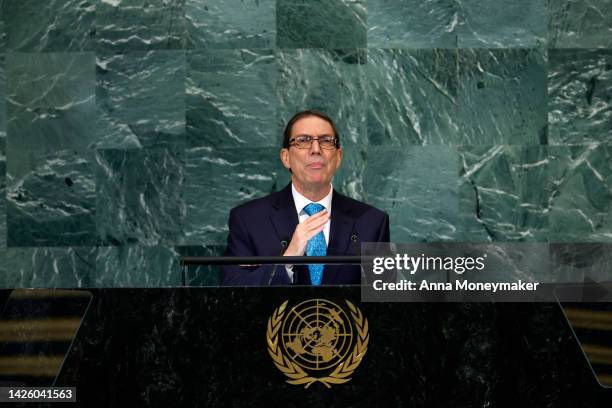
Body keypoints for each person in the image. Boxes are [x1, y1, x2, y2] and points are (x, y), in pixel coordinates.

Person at [222, 110, 390, 285]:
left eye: (325, 140)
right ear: (286, 158)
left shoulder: (372, 223)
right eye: (303, 141)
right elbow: (232, 293)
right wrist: (287, 259)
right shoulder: (249, 220)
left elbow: (385, 303)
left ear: (338, 157)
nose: (316, 149)